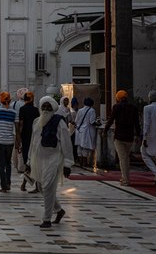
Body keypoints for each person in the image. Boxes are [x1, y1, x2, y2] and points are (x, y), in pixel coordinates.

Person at [26, 96, 73, 228]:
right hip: (38, 159)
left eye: (48, 107)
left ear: (53, 108)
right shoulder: (36, 122)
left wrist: (67, 164)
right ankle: (59, 210)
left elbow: (66, 143)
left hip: (54, 159)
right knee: (41, 187)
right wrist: (29, 161)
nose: (46, 109)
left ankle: (46, 219)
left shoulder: (59, 122)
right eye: (44, 107)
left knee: (48, 186)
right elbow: (33, 143)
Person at [104, 90, 141, 186]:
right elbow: (137, 123)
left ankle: (126, 180)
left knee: (123, 158)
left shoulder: (116, 107)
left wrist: (105, 130)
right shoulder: (133, 108)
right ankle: (124, 177)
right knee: (125, 158)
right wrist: (137, 135)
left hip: (119, 136)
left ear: (118, 98)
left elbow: (111, 120)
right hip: (129, 137)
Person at [0, 92, 19, 192]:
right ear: (10, 100)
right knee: (8, 164)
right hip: (9, 142)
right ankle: (8, 183)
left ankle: (3, 185)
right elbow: (17, 128)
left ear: (1, 100)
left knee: (1, 165)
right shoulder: (14, 113)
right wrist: (18, 142)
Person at [18, 92, 40, 192]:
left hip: (26, 138)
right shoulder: (35, 110)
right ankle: (35, 185)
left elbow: (21, 124)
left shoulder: (22, 109)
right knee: (35, 161)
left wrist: (18, 138)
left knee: (28, 161)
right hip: (35, 137)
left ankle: (25, 184)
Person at [141, 90, 156, 186]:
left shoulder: (147, 108)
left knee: (144, 153)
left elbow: (146, 124)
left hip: (150, 136)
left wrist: (144, 138)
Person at [75, 97, 97, 167]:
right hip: (86, 131)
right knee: (85, 147)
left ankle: (80, 162)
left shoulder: (80, 110)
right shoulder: (92, 110)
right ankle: (85, 163)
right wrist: (98, 123)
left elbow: (76, 121)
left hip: (79, 130)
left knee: (79, 146)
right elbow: (92, 121)